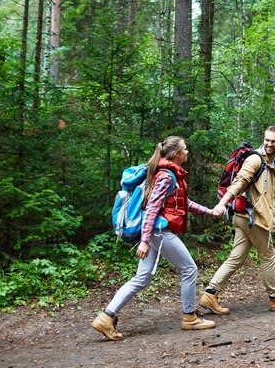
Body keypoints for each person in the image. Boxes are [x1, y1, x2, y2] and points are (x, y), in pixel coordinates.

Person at [92, 136, 218, 341]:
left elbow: (182, 203)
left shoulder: (169, 174)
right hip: (159, 232)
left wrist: (209, 211)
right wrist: (144, 240)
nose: (187, 152)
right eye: (185, 149)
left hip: (155, 232)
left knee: (142, 278)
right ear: (175, 153)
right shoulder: (167, 176)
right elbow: (151, 209)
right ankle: (190, 317)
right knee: (189, 268)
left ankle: (106, 317)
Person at [199, 126, 275, 314]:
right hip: (252, 218)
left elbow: (268, 194)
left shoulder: (273, 162)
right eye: (267, 139)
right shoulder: (254, 159)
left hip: (246, 217)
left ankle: (210, 294)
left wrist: (272, 215)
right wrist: (222, 203)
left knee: (236, 257)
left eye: (273, 141)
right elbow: (240, 182)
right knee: (268, 256)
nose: (269, 143)